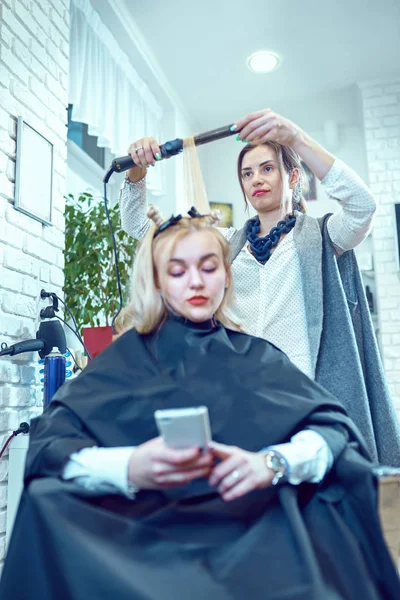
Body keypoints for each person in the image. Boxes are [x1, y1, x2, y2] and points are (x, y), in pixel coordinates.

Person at [1, 209, 399, 600]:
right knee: (45, 500)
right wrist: (131, 467)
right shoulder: (122, 363)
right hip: (141, 535)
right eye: (177, 272)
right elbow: (51, 446)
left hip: (247, 530)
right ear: (157, 282)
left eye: (209, 268)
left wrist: (270, 464)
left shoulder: (259, 358)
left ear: (227, 277)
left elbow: (331, 434)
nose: (196, 282)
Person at [118, 108, 400, 468]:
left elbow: (363, 206)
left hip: (307, 402)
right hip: (241, 402)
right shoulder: (224, 246)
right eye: (247, 173)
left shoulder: (324, 237)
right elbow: (138, 227)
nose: (256, 179)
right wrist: (137, 170)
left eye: (267, 168)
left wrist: (296, 138)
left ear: (294, 175)